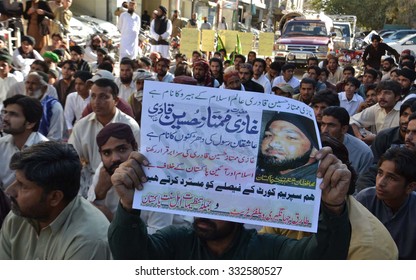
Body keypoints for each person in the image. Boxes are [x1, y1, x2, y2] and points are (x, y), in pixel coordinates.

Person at [108, 145, 352, 259]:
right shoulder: (177, 241)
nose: (205, 211)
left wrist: (332, 208)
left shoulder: (269, 250)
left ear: (240, 208)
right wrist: (129, 207)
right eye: (202, 198)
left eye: (218, 201)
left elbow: (323, 259)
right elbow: (129, 255)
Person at [259, 135, 398, 260]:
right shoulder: (287, 208)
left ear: (334, 181)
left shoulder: (368, 248)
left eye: (299, 175)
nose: (283, 182)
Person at [0, 141, 111, 259]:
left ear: (54, 197)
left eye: (23, 185)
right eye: (16, 180)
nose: (9, 190)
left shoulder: (88, 240)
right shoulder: (18, 217)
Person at [87, 123, 192, 229]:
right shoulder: (105, 171)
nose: (115, 158)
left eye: (122, 149)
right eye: (106, 153)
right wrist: (99, 193)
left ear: (135, 147)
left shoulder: (156, 177)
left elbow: (158, 237)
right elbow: (90, 213)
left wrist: (114, 220)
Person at [68, 78, 140, 198]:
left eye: (103, 97)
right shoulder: (82, 126)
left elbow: (137, 159)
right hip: (91, 185)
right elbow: (71, 159)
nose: (96, 102)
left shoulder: (130, 125)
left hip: (124, 183)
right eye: (93, 96)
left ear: (115, 100)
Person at [356, 147, 416, 259]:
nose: (381, 182)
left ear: (410, 187)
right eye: (380, 173)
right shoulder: (365, 200)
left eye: (391, 178)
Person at [255, 111, 319, 188]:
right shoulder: (262, 172)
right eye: (268, 135)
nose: (272, 143)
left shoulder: (318, 185)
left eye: (290, 137)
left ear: (314, 150)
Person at [0, 95, 48, 191]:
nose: (5, 118)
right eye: (5, 112)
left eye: (13, 114)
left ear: (30, 123)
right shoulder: (2, 145)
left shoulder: (45, 150)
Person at [321, 106, 373, 175]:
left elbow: (362, 183)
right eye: (323, 124)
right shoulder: (313, 145)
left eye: (331, 125)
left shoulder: (363, 153)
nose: (324, 130)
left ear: (344, 129)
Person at [350, 80, 402, 145]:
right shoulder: (377, 107)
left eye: (387, 93)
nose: (381, 97)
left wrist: (376, 138)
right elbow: (352, 120)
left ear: (397, 97)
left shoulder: (404, 111)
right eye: (379, 93)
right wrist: (359, 137)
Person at [63, 71, 93, 135]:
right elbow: (67, 118)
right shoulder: (71, 97)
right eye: (76, 84)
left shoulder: (94, 97)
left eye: (81, 84)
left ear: (89, 85)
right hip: (77, 130)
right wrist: (71, 131)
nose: (77, 87)